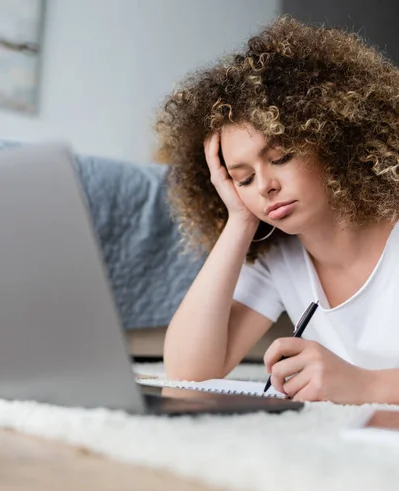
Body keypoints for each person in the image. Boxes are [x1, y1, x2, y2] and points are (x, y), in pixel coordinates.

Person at [155, 16, 399, 405]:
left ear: (332, 141)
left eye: (281, 156)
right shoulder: (277, 255)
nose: (265, 185)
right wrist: (240, 219)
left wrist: (365, 385)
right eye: (244, 177)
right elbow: (188, 373)